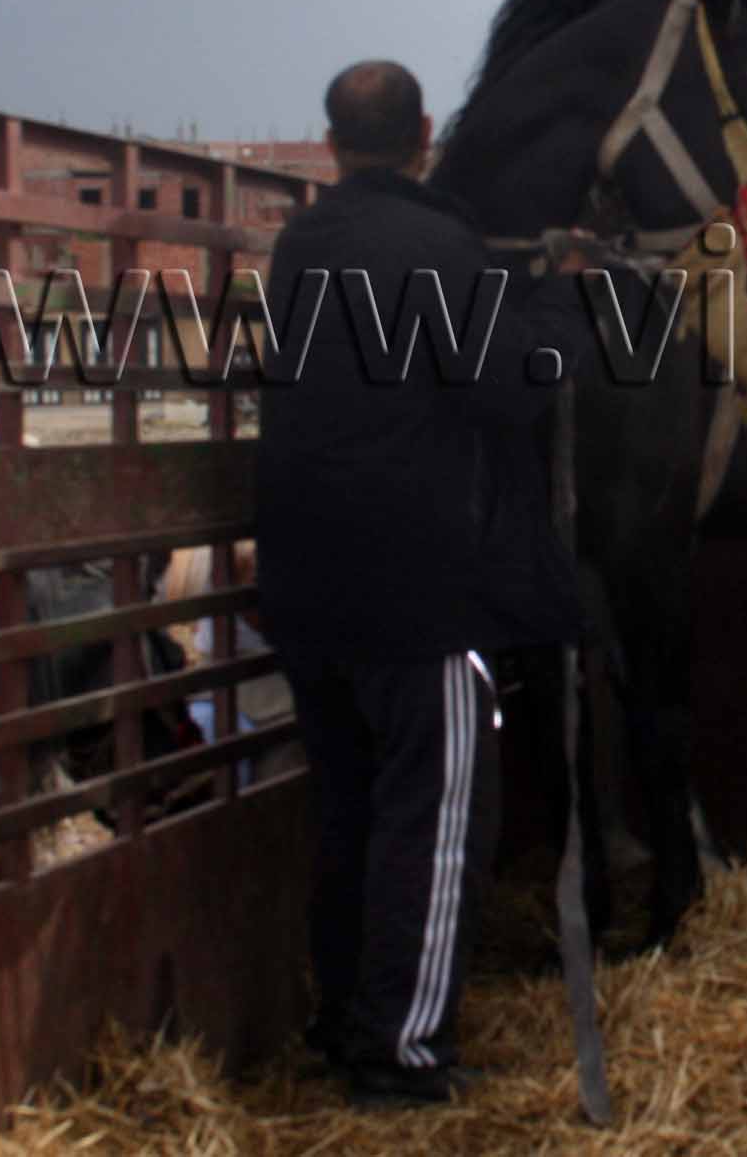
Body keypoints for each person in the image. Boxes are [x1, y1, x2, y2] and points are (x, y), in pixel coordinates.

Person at [254, 59, 595, 1111]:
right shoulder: (440, 247)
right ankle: (400, 1054)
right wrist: (559, 300)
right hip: (420, 592)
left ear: (328, 144)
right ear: (426, 134)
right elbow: (508, 390)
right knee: (440, 819)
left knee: (354, 811)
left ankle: (343, 1020)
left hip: (308, 591)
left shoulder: (299, 243)